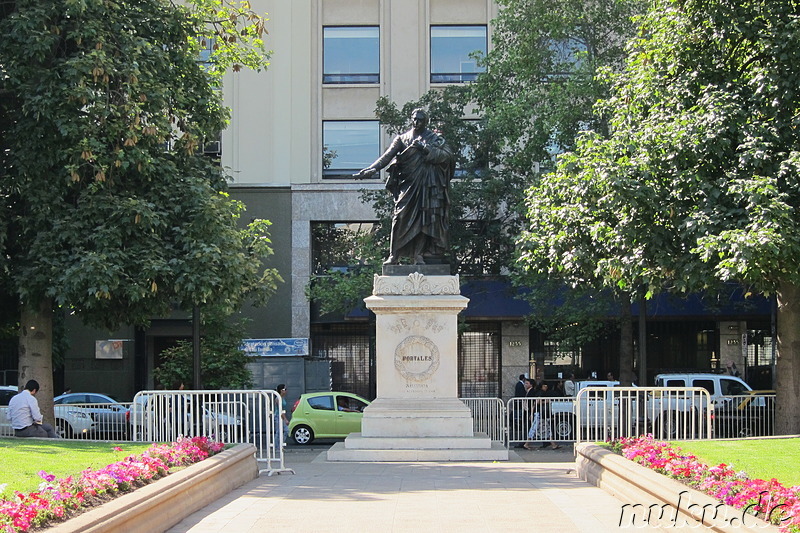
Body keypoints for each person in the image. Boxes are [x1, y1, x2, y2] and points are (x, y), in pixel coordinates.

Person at [354, 108, 455, 265]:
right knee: (399, 217)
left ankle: (418, 255)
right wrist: (372, 169)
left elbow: (447, 156)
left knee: (424, 219)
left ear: (426, 122)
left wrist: (425, 149)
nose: (416, 122)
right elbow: (386, 156)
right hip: (408, 184)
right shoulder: (402, 138)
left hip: (427, 184)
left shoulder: (434, 138)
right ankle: (394, 255)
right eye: (414, 119)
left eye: (420, 120)